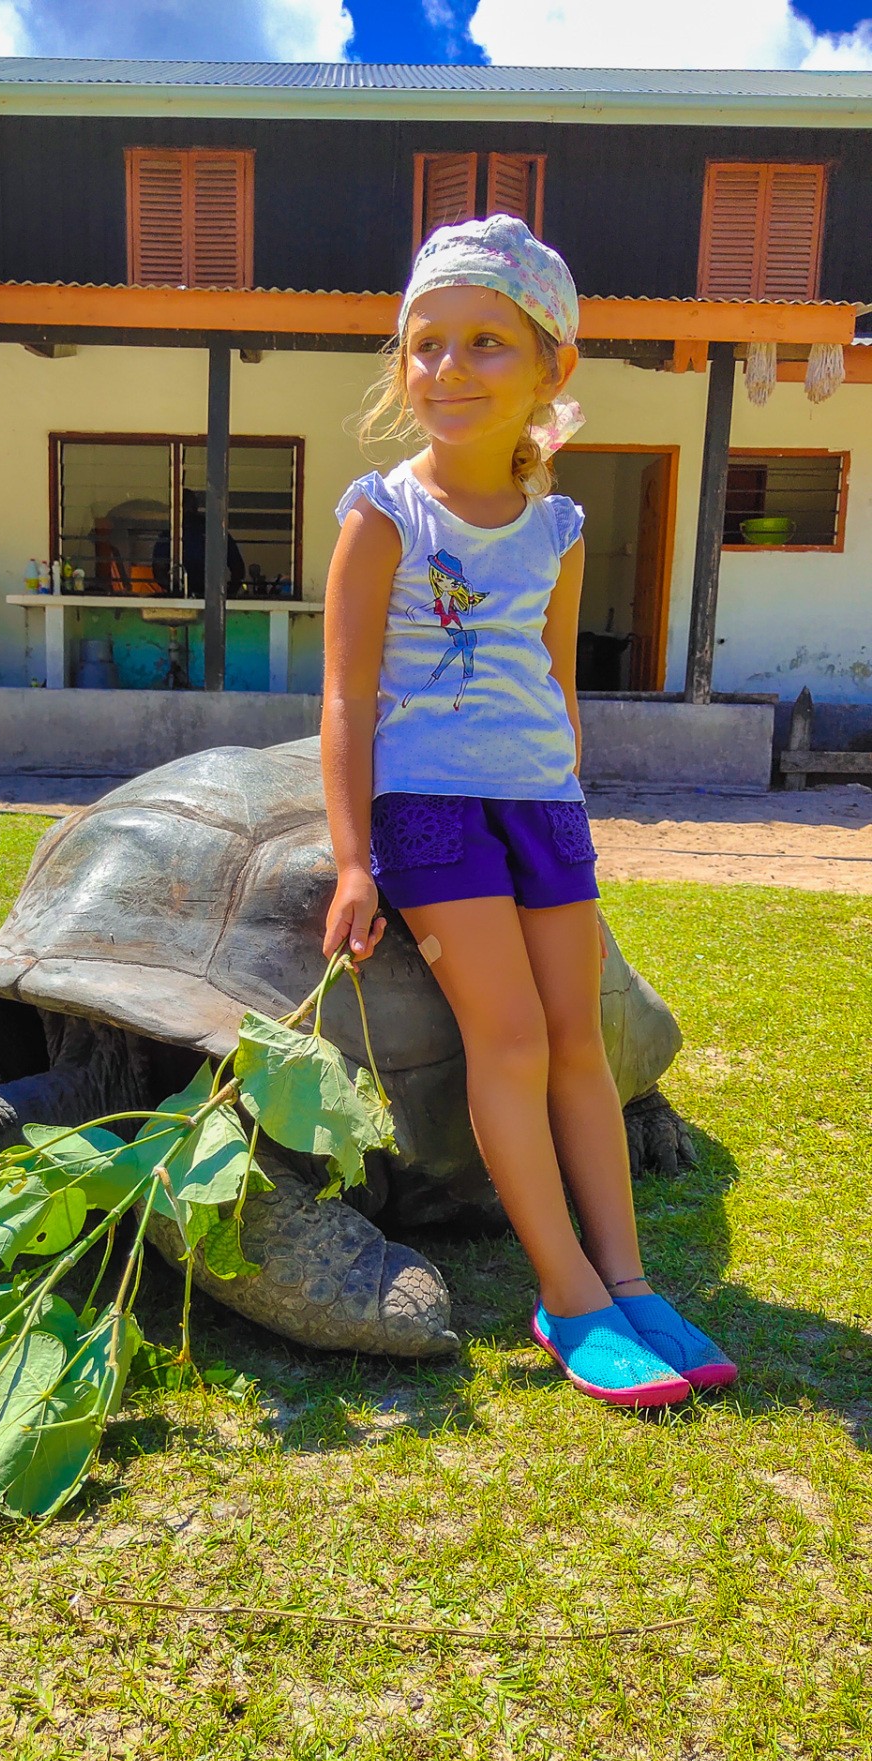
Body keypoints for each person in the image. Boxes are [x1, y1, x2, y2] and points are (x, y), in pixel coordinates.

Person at [320, 215, 737, 1410]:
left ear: (552, 366)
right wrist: (357, 862)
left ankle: (629, 1277)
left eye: (485, 344)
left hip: (543, 808)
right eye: (427, 344)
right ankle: (567, 1294)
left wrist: (566, 794)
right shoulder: (383, 513)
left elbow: (555, 682)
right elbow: (346, 696)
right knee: (505, 1044)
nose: (449, 370)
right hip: (431, 812)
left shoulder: (559, 526)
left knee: (578, 1049)